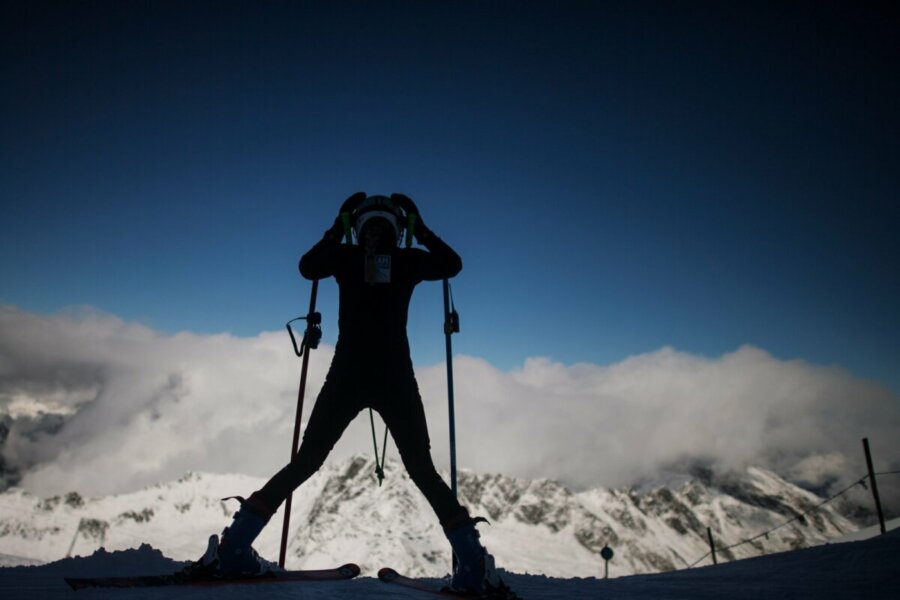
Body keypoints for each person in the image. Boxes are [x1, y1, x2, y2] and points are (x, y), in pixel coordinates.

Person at [192, 193, 506, 596]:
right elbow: (452, 264)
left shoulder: (345, 257)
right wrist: (420, 228)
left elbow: (308, 267)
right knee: (422, 469)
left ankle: (235, 547)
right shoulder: (408, 262)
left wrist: (336, 229)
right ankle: (472, 565)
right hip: (395, 378)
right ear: (398, 229)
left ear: (358, 228)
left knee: (306, 461)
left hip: (347, 376)